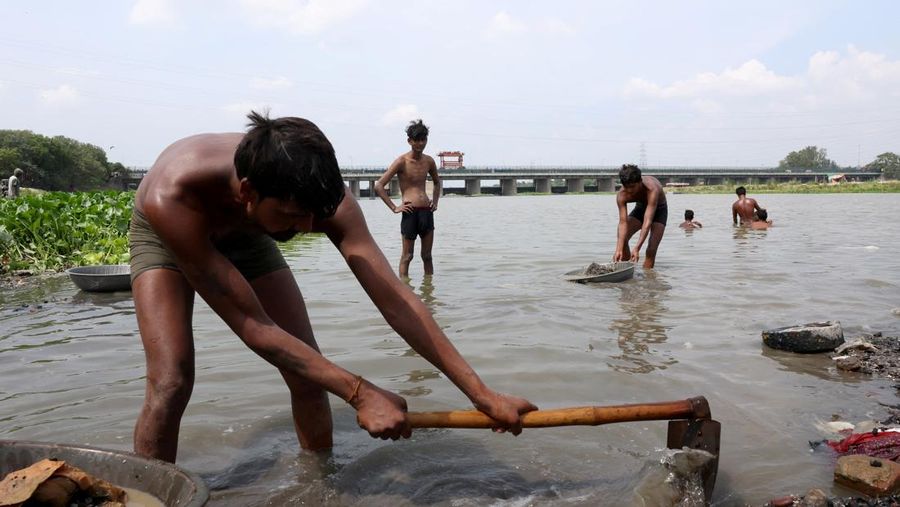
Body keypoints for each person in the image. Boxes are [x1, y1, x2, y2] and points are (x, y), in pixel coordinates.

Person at [129, 111, 535, 462]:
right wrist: (358, 392)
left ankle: (318, 482)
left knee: (307, 375)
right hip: (172, 230)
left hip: (253, 229)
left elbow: (397, 301)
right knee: (171, 380)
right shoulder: (174, 195)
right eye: (294, 215)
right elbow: (253, 324)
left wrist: (480, 393)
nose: (306, 229)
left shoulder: (322, 198)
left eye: (314, 217)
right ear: (248, 193)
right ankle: (150, 488)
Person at [375, 119, 441, 278]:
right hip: (410, 212)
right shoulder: (401, 161)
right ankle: (405, 292)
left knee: (427, 256)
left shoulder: (429, 161)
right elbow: (379, 186)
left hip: (426, 211)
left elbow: (437, 183)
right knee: (407, 256)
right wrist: (394, 207)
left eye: (423, 140)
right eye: (416, 140)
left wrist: (435, 202)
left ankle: (428, 293)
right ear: (409, 141)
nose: (420, 143)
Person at [613, 164, 667, 269]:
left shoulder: (652, 189)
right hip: (641, 207)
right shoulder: (622, 195)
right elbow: (623, 222)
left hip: (659, 210)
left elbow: (647, 222)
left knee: (651, 249)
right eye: (626, 187)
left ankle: (648, 278)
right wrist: (618, 249)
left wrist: (637, 247)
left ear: (640, 182)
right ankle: (626, 269)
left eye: (632, 187)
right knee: (622, 238)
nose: (629, 191)